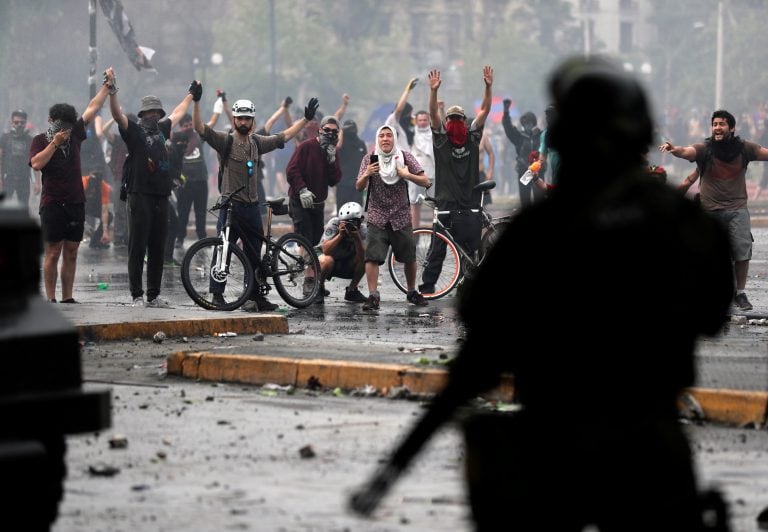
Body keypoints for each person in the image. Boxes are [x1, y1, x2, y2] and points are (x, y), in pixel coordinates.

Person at [350, 55, 735, 531]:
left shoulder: (536, 234)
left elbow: (478, 362)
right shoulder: (683, 225)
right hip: (650, 452)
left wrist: (395, 465)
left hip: (554, 454)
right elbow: (714, 316)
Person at [191, 82, 317, 312]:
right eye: (239, 118)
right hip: (230, 208)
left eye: (247, 119)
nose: (242, 122)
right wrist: (197, 101)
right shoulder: (224, 140)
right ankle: (217, 295)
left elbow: (283, 137)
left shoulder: (257, 142)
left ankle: (256, 297)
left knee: (254, 255)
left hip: (252, 209)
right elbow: (199, 128)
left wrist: (305, 120)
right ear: (234, 120)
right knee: (223, 249)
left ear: (252, 121)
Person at [660, 109, 768, 311]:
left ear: (732, 127)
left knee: (742, 253)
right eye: (715, 124)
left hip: (737, 209)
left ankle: (741, 293)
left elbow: (765, 153)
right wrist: (674, 150)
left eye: (722, 124)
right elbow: (687, 151)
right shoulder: (705, 149)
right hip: (709, 211)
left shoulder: (745, 149)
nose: (717, 127)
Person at [105, 67, 193, 308]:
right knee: (137, 246)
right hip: (139, 195)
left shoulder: (163, 129)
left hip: (161, 196)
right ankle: (136, 295)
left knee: (157, 246)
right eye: (150, 112)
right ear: (143, 114)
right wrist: (113, 91)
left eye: (157, 112)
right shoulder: (133, 132)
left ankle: (154, 295)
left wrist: (190, 95)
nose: (154, 116)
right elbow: (117, 115)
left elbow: (178, 112)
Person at [29, 78, 112, 303]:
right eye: (59, 124)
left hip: (75, 201)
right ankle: (50, 298)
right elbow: (37, 164)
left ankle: (67, 297)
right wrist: (54, 142)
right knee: (53, 251)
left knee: (72, 252)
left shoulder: (75, 133)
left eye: (67, 124)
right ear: (50, 121)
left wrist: (106, 86)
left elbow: (92, 107)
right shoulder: (39, 140)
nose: (64, 128)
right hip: (52, 202)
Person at [419, 66, 493, 295]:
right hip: (446, 201)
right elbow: (433, 114)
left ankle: (466, 284)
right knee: (438, 245)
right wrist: (433, 92)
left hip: (468, 201)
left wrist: (488, 87)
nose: (453, 122)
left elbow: (485, 111)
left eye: (458, 119)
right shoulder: (441, 140)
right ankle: (428, 285)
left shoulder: (472, 138)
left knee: (470, 247)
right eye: (450, 119)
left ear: (464, 120)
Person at [355, 124, 431, 310]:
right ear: (377, 139)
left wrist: (407, 174)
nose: (385, 139)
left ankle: (412, 292)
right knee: (372, 257)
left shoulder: (404, 157)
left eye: (389, 135)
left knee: (409, 256)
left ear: (394, 139)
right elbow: (358, 186)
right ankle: (373, 296)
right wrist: (366, 174)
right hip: (377, 215)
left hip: (401, 215)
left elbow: (426, 181)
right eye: (382, 136)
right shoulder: (370, 159)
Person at [286, 115, 342, 248]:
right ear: (320, 130)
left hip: (317, 203)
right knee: (305, 240)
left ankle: (309, 267)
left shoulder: (332, 152)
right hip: (300, 200)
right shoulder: (306, 146)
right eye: (327, 130)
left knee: (316, 242)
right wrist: (302, 189)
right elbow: (291, 170)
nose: (330, 134)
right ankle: (303, 267)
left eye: (334, 131)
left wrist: (331, 160)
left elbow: (334, 180)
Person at [315, 201, 368, 304]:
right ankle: (319, 289)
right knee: (327, 260)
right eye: (346, 222)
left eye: (353, 222)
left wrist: (357, 238)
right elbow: (325, 250)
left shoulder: (363, 230)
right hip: (327, 262)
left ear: (360, 220)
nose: (349, 225)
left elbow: (363, 257)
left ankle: (352, 291)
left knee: (368, 259)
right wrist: (340, 235)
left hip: (346, 263)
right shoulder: (335, 223)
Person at [501, 104, 541, 207]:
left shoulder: (539, 136)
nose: (528, 125)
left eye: (530, 123)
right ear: (523, 124)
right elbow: (508, 128)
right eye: (525, 123)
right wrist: (506, 112)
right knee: (525, 200)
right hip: (525, 171)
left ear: (533, 123)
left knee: (540, 198)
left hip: (538, 171)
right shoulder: (520, 137)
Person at [0, 109, 37, 209]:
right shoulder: (5, 138)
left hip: (24, 179)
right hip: (8, 178)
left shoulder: (30, 140)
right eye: (16, 122)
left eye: (22, 122)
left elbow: (35, 162)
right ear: (12, 122)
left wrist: (37, 183)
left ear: (25, 123)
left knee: (23, 207)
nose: (19, 125)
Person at [410, 110, 435, 226]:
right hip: (415, 175)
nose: (423, 122)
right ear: (416, 121)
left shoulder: (433, 133)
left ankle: (436, 233)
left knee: (434, 205)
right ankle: (415, 234)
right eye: (420, 120)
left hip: (432, 174)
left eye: (425, 120)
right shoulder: (411, 134)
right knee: (415, 204)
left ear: (429, 120)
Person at [336, 119, 367, 211]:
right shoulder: (340, 145)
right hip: (343, 184)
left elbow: (365, 163)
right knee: (342, 212)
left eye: (352, 129)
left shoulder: (361, 144)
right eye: (348, 129)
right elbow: (336, 147)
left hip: (357, 185)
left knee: (356, 212)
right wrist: (341, 131)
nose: (351, 132)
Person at [81, 170, 112, 249]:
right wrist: (84, 224)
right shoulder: (82, 182)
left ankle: (95, 241)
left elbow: (104, 211)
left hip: (94, 206)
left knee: (109, 216)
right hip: (81, 205)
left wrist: (105, 231)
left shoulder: (104, 187)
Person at [537, 103, 560, 186]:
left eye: (552, 114)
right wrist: (531, 171)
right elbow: (542, 158)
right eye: (548, 115)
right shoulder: (545, 134)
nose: (549, 117)